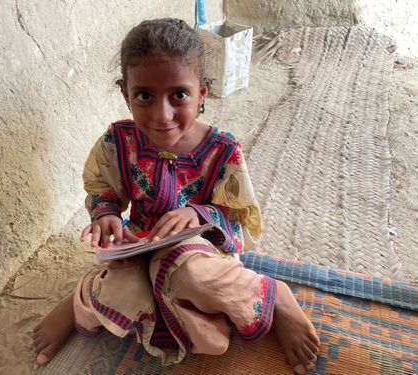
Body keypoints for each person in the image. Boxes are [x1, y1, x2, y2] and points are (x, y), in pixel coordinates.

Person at [33, 18, 319, 374]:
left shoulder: (223, 151)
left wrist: (200, 214)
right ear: (126, 94)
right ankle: (83, 298)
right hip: (137, 248)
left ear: (202, 93)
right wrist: (105, 215)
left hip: (197, 254)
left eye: (179, 95)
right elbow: (101, 186)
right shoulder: (118, 142)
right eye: (144, 96)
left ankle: (274, 295)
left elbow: (243, 219)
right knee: (124, 295)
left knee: (193, 282)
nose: (161, 115)